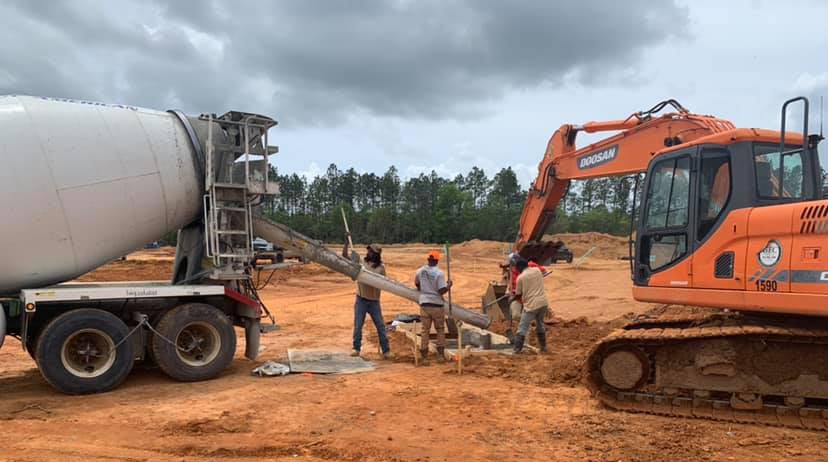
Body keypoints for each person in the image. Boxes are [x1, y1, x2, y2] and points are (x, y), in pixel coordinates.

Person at [343, 242, 394, 360]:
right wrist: (346, 244)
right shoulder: (362, 263)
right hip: (361, 299)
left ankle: (386, 350)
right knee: (358, 325)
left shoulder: (381, 268)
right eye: (368, 251)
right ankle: (356, 348)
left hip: (374, 302)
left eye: (371, 252)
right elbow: (345, 257)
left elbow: (385, 283)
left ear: (377, 254)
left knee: (380, 326)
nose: (369, 253)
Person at [414, 250, 452, 363]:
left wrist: (424, 290)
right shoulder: (439, 273)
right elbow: (441, 290)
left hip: (424, 304)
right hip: (436, 304)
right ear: (437, 260)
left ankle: (424, 356)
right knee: (440, 329)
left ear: (428, 259)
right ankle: (440, 356)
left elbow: (416, 284)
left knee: (425, 330)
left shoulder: (420, 271)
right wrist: (449, 286)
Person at [511, 258, 549, 354]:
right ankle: (543, 348)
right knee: (540, 324)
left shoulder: (521, 277)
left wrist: (511, 299)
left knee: (522, 327)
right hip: (543, 303)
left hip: (531, 305)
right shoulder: (537, 270)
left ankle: (516, 350)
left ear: (520, 267)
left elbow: (518, 295)